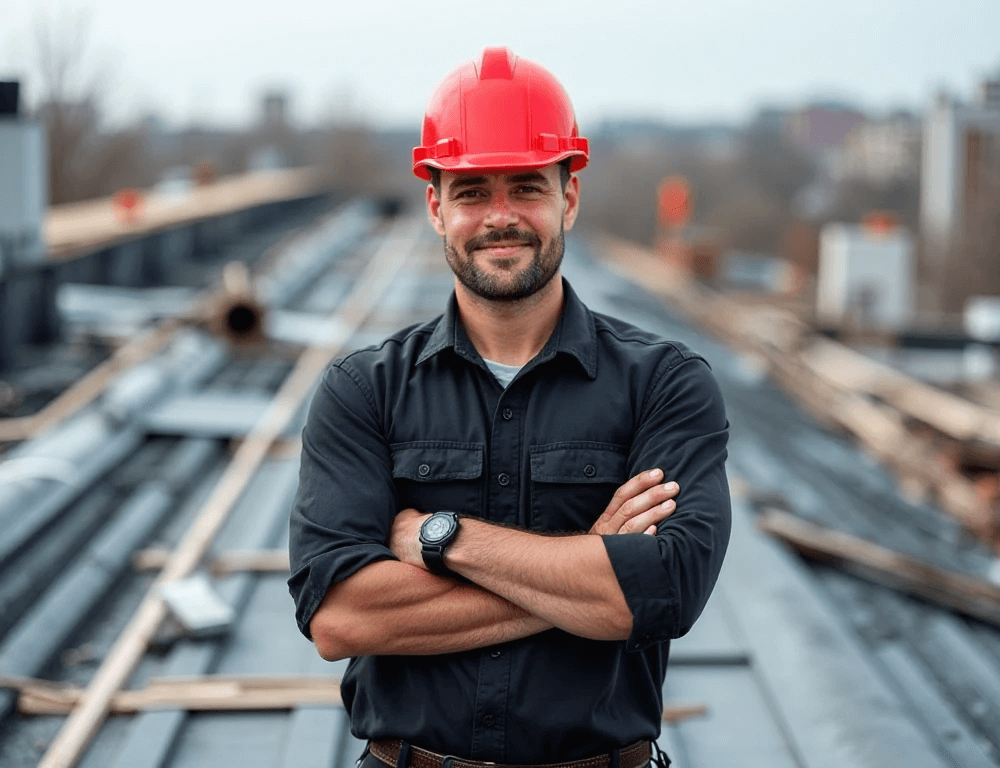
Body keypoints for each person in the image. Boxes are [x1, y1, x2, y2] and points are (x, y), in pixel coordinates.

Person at [288, 46, 731, 768]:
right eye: (471, 192)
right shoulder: (364, 390)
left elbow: (662, 594)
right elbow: (340, 618)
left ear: (570, 197)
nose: (500, 217)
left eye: (526, 187)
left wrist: (442, 539)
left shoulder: (666, 385)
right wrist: (587, 564)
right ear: (436, 207)